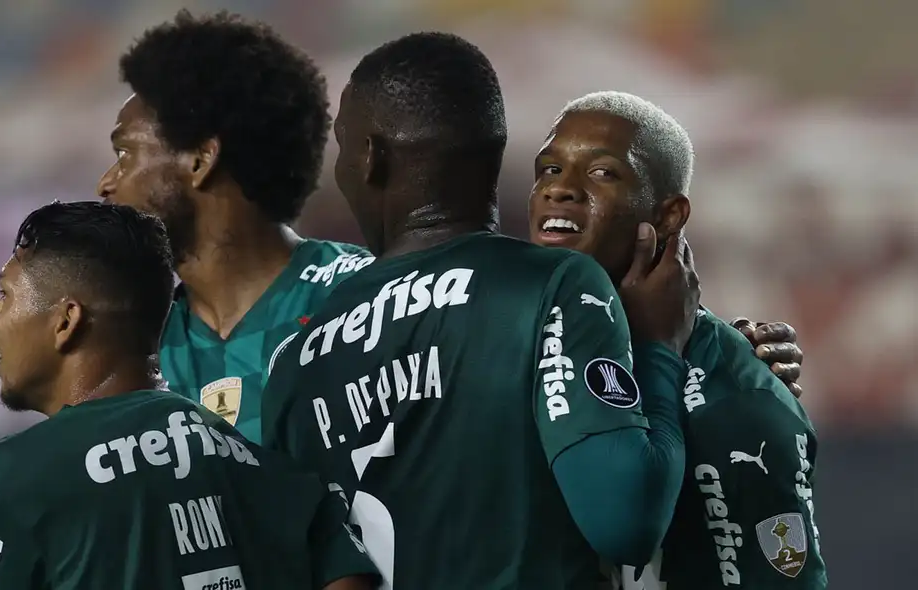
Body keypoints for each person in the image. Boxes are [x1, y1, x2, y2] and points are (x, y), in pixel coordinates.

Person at [263, 32, 700, 589]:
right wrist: (662, 348)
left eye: (342, 146)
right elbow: (625, 521)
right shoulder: (550, 286)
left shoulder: (296, 360)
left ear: (370, 158)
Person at [0, 201, 378, 590]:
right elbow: (347, 574)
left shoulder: (13, 478)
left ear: (67, 321)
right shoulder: (262, 469)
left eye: (5, 296)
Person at [527, 91, 826, 589]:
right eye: (550, 170)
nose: (560, 190)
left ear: (668, 215)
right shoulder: (513, 334)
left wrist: (658, 357)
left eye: (602, 173)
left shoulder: (739, 394)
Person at [97, 10, 374, 443]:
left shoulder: (360, 300)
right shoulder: (138, 348)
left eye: (126, 154)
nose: (106, 183)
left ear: (200, 160)